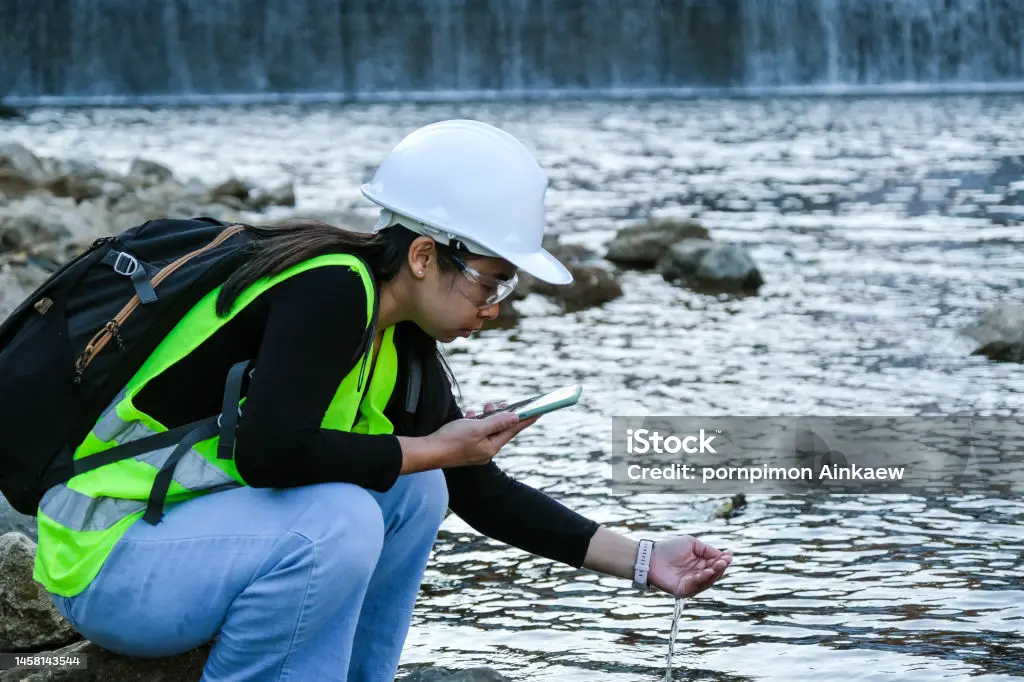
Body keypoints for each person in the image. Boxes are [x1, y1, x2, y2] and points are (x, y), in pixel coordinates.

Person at [34, 120, 733, 681]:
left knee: (420, 488)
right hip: (111, 560)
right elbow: (270, 452)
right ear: (424, 255)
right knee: (342, 518)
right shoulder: (330, 289)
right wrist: (434, 447)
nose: (494, 306)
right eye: (490, 281)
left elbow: (475, 490)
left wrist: (644, 558)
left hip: (184, 547)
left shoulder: (396, 337)